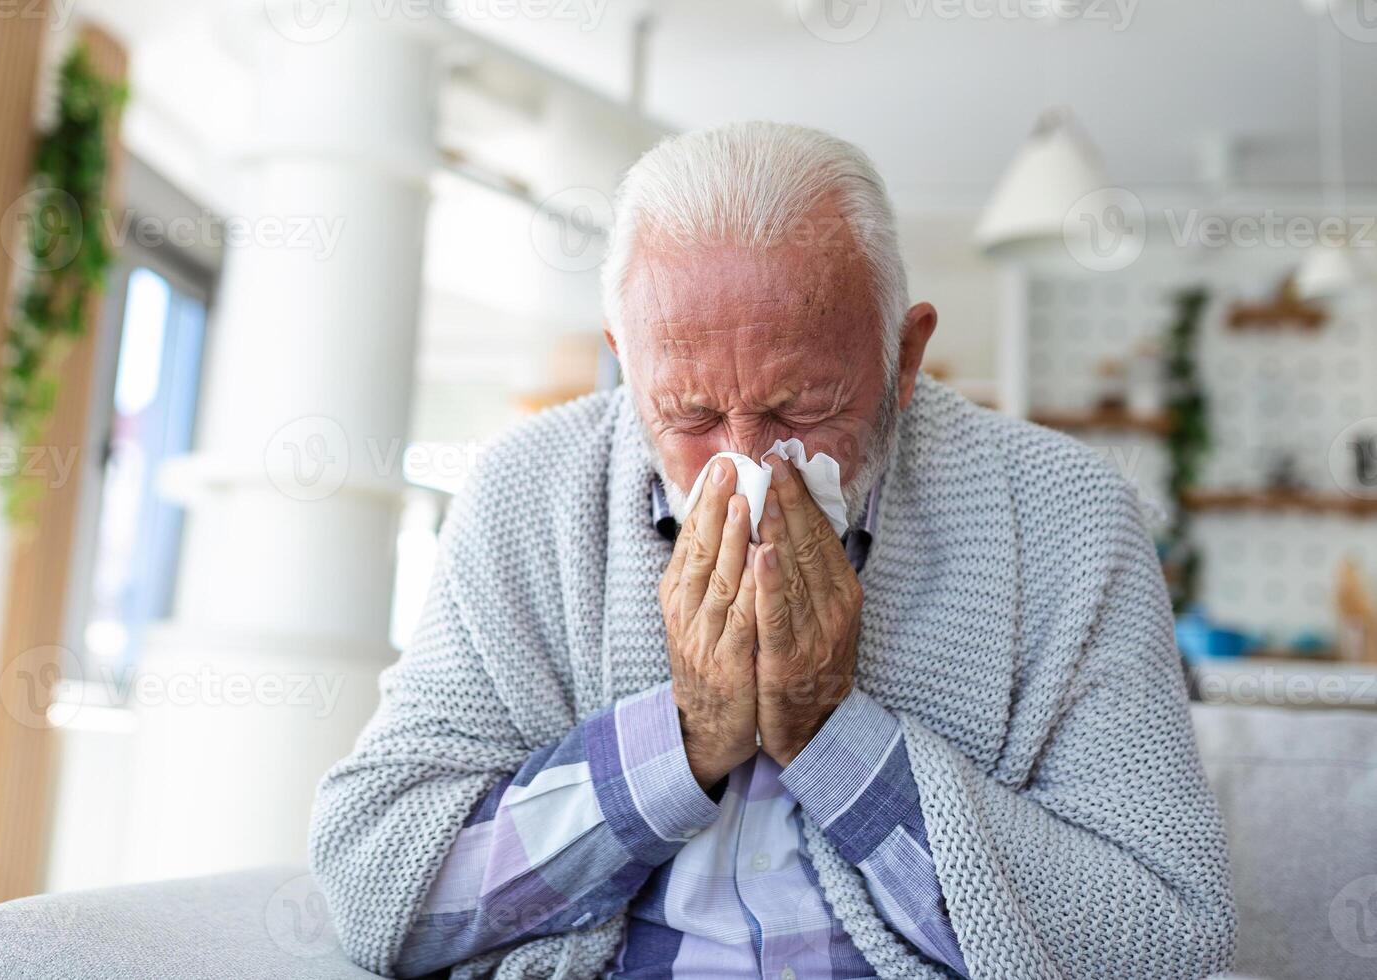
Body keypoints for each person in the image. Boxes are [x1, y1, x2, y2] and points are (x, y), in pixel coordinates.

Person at [310, 121, 1237, 979]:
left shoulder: (1070, 518)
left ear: (904, 359)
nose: (749, 464)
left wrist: (830, 731)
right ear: (622, 365)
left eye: (803, 408)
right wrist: (683, 742)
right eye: (691, 415)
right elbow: (377, 881)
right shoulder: (523, 492)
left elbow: (1166, 933)